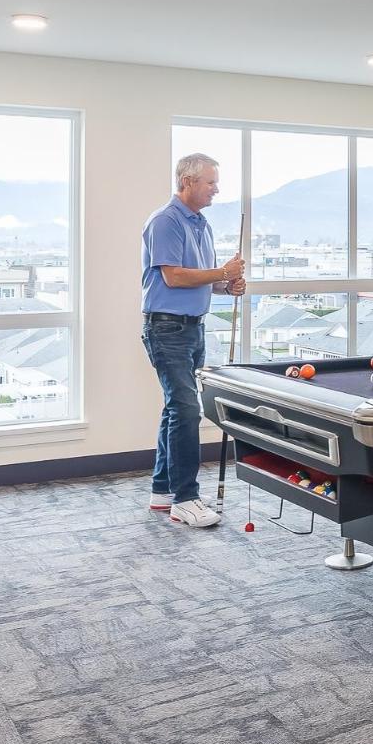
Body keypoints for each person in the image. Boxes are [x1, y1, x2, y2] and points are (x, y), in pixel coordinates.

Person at [141, 152, 246, 527]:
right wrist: (222, 272)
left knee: (176, 408)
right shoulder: (165, 221)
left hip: (192, 327)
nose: (216, 189)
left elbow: (200, 279)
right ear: (187, 182)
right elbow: (173, 277)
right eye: (210, 182)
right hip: (166, 328)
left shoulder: (202, 224)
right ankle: (185, 499)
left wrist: (226, 285)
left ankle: (162, 490)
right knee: (186, 409)